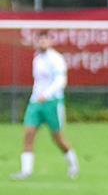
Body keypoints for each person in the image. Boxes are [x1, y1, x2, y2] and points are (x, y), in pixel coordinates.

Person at [11, 31, 79, 181]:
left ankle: (73, 163)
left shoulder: (56, 59)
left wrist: (46, 95)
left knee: (57, 138)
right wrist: (36, 96)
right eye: (40, 40)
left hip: (52, 103)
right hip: (36, 102)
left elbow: (60, 81)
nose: (42, 43)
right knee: (28, 134)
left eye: (45, 40)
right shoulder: (37, 58)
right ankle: (25, 171)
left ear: (50, 42)